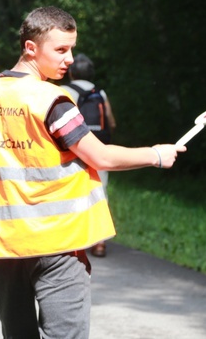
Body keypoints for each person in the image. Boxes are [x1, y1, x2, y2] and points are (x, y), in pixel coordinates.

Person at [0, 6, 184, 339]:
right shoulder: (52, 99)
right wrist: (156, 155)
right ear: (30, 48)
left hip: (0, 243)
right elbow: (101, 156)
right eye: (61, 49)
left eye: (71, 48)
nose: (69, 58)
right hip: (56, 241)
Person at [61, 53, 118, 258]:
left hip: (74, 148)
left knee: (71, 191)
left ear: (71, 71)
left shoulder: (64, 91)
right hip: (101, 146)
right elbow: (111, 122)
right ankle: (99, 243)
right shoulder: (100, 93)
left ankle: (73, 240)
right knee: (99, 190)